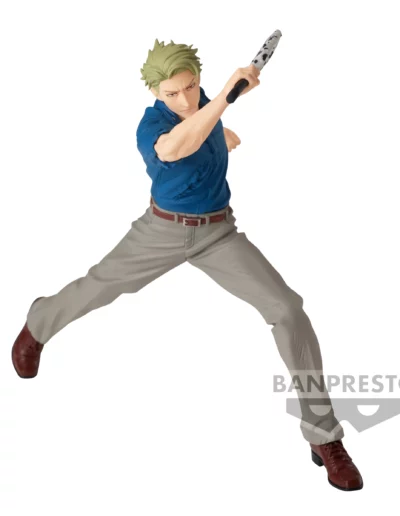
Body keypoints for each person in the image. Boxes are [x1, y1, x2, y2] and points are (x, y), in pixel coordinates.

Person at [12, 38, 363, 491]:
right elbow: (177, 147)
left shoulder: (204, 105)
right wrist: (223, 99)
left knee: (288, 310)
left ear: (198, 79)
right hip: (162, 232)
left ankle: (323, 436)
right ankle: (38, 322)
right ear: (155, 93)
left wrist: (225, 122)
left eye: (191, 87)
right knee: (98, 286)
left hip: (219, 234)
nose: (183, 99)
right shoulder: (152, 127)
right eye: (171, 93)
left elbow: (209, 128)